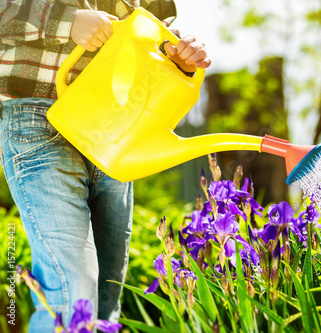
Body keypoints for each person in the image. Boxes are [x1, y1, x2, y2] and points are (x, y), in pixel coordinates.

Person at [0, 0, 211, 331]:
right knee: (76, 293)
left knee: (105, 301)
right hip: (37, 115)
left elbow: (157, 34)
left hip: (115, 128)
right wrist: (66, 22)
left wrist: (180, 57)